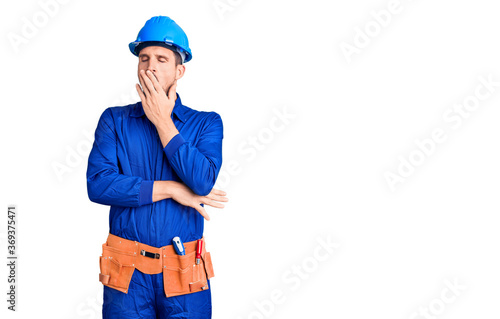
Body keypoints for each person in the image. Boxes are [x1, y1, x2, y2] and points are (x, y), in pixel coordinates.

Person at [86, 15, 228, 319]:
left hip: (184, 273)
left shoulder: (206, 123)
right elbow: (98, 184)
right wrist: (172, 189)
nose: (150, 65)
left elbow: (202, 182)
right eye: (144, 58)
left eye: (162, 59)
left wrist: (163, 122)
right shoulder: (114, 120)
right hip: (126, 274)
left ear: (180, 70)